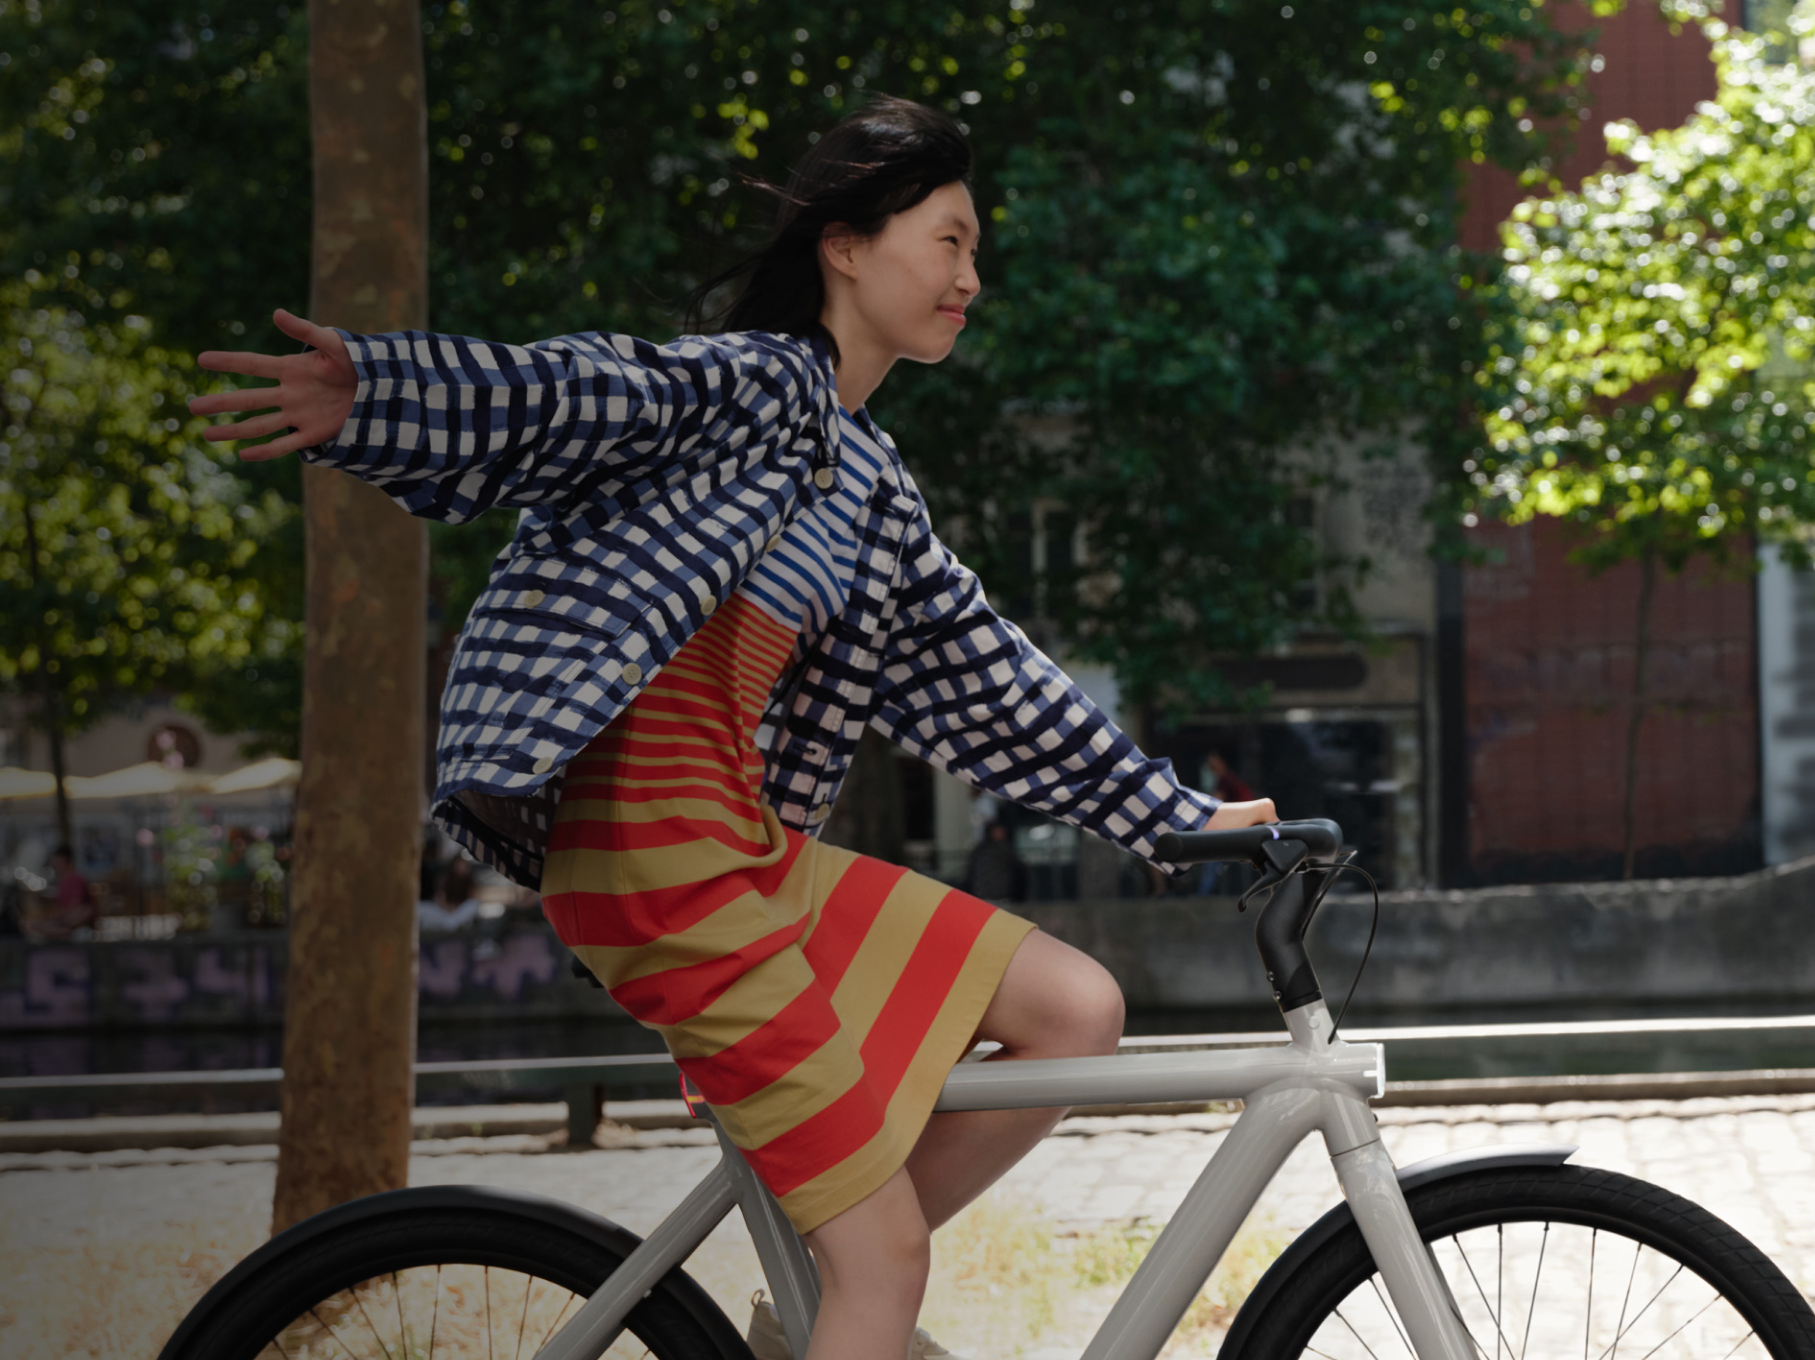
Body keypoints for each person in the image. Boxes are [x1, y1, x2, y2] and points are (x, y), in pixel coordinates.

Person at [189, 97, 1278, 1360]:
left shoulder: (869, 488)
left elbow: (995, 682)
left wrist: (1175, 816)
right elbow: (576, 393)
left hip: (744, 855)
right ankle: (852, 1293)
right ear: (847, 245)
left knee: (1075, 1007)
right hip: (656, 860)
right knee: (889, 1259)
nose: (972, 277)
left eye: (977, 253)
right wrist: (376, 388)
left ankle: (823, 1313)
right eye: (949, 240)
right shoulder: (748, 386)